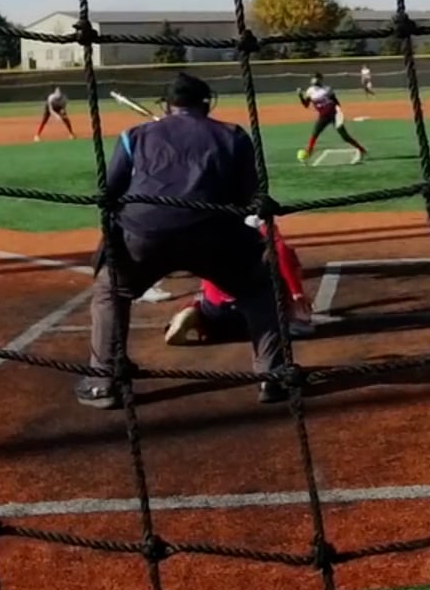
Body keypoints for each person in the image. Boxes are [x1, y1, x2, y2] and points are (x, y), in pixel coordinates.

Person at [76, 73, 288, 409]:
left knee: (111, 291)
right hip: (215, 234)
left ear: (168, 105)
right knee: (259, 288)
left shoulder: (134, 136)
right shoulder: (233, 135)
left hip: (144, 235)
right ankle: (272, 375)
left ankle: (103, 381)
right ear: (207, 102)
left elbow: (110, 192)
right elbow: (248, 195)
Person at [164, 214, 313, 346]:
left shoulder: (215, 228)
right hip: (254, 309)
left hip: (216, 311)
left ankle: (195, 313)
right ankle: (288, 321)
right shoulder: (262, 230)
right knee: (270, 297)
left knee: (208, 298)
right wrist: (296, 293)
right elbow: (281, 251)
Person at [298, 72, 367, 165]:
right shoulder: (310, 91)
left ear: (320, 79)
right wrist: (300, 96)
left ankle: (361, 150)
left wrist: (340, 113)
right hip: (323, 116)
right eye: (313, 78)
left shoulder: (327, 89)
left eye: (316, 78)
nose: (314, 80)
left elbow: (336, 101)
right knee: (315, 134)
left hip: (334, 114)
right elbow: (306, 105)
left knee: (345, 136)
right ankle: (308, 153)